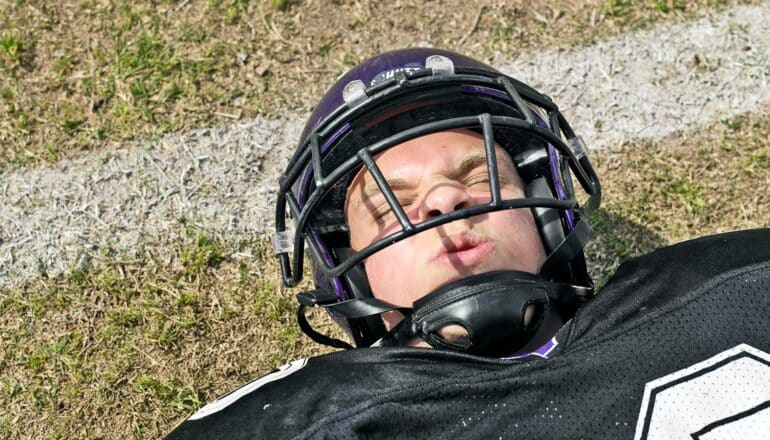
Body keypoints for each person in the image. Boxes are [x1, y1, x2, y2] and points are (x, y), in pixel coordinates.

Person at [167, 48, 770, 439]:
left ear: (547, 216)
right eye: (388, 204)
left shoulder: (736, 282)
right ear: (349, 275)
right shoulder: (306, 421)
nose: (441, 203)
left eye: (478, 176)